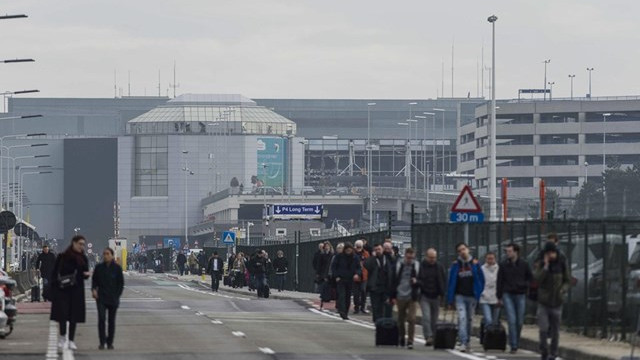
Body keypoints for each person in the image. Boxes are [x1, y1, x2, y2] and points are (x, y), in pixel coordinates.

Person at [50, 235, 90, 351]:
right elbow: (55, 273)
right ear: (73, 243)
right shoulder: (63, 257)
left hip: (76, 291)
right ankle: (62, 337)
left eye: (83, 244)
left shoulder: (83, 258)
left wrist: (85, 275)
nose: (81, 246)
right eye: (80, 244)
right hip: (63, 290)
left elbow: (84, 273)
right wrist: (53, 290)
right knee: (63, 315)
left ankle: (71, 340)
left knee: (74, 316)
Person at [535, 242, 570, 360]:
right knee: (543, 328)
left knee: (555, 330)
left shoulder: (561, 264)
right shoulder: (542, 265)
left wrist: (563, 290)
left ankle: (553, 353)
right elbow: (537, 280)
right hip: (544, 301)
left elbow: (567, 280)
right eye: (548, 253)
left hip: (557, 301)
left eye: (552, 253)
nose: (550, 255)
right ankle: (544, 350)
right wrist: (545, 266)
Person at [447, 243, 485, 353]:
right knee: (462, 318)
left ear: (468, 250)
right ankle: (463, 342)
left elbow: (481, 279)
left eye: (463, 249)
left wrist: (479, 291)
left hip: (472, 296)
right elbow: (451, 282)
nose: (462, 252)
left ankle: (467, 340)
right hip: (460, 296)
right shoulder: (456, 265)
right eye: (459, 250)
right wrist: (450, 299)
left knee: (469, 319)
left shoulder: (475, 263)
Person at [497, 243, 532, 354]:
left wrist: (525, 286)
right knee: (512, 320)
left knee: (520, 321)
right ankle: (514, 345)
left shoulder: (524, 264)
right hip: (507, 293)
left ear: (516, 252)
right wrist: (499, 296)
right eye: (507, 251)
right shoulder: (503, 265)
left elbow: (529, 277)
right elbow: (500, 280)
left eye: (510, 251)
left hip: (520, 293)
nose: (508, 253)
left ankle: (516, 340)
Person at [92, 247, 124, 350]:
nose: (105, 256)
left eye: (107, 254)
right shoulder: (99, 268)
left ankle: (110, 342)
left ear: (112, 255)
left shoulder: (117, 268)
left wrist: (117, 295)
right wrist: (94, 290)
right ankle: (102, 342)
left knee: (111, 321)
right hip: (101, 298)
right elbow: (94, 281)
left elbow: (121, 283)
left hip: (113, 298)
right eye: (104, 254)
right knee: (101, 319)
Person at [390, 248, 420, 349]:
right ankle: (401, 337)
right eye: (408, 257)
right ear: (405, 256)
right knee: (400, 319)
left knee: (412, 319)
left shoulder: (416, 266)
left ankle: (410, 341)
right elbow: (394, 280)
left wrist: (417, 282)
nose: (410, 259)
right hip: (400, 295)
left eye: (412, 257)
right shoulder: (399, 265)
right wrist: (392, 296)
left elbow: (422, 280)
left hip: (412, 296)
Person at [417, 248, 446, 346]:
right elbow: (418, 279)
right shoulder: (421, 267)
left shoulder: (439, 267)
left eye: (434, 257)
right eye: (430, 257)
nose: (432, 259)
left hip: (436, 295)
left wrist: (443, 294)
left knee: (434, 319)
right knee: (426, 317)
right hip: (425, 295)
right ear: (426, 257)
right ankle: (428, 336)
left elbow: (443, 280)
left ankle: (434, 336)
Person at [330, 242, 361, 320]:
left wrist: (357, 274)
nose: (348, 251)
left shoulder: (355, 257)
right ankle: (342, 311)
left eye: (350, 250)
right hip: (341, 278)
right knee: (341, 295)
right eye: (347, 250)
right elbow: (334, 267)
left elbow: (359, 267)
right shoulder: (339, 257)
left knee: (348, 296)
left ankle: (345, 312)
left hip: (350, 279)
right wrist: (336, 276)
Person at [364, 243, 394, 322]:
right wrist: (372, 256)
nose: (378, 251)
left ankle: (384, 322)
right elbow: (366, 265)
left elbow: (393, 268)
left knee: (386, 306)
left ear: (382, 250)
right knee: (376, 306)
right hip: (375, 287)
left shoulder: (387, 259)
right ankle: (377, 322)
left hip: (385, 286)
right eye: (376, 250)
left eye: (379, 249)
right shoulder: (372, 260)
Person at [480, 252, 499, 337]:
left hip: (496, 297)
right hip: (484, 297)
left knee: (495, 321)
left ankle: (492, 337)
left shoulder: (499, 269)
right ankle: (488, 336)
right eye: (488, 259)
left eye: (492, 258)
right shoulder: (482, 269)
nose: (490, 261)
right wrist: (482, 293)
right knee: (488, 319)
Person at [353, 239, 370, 314]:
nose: (358, 248)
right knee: (356, 293)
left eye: (360, 246)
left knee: (363, 291)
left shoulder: (366, 254)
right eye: (357, 247)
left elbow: (369, 263)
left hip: (364, 275)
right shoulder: (353, 254)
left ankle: (362, 307)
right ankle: (356, 307)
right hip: (356, 276)